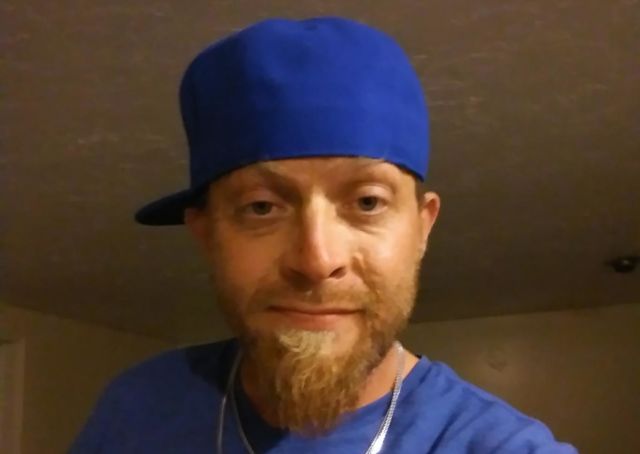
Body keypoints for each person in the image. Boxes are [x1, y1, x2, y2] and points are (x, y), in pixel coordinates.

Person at [70, 16, 578, 453]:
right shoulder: (137, 411)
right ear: (206, 235)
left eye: (367, 202)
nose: (316, 260)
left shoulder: (502, 446)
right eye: (262, 207)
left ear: (422, 228)